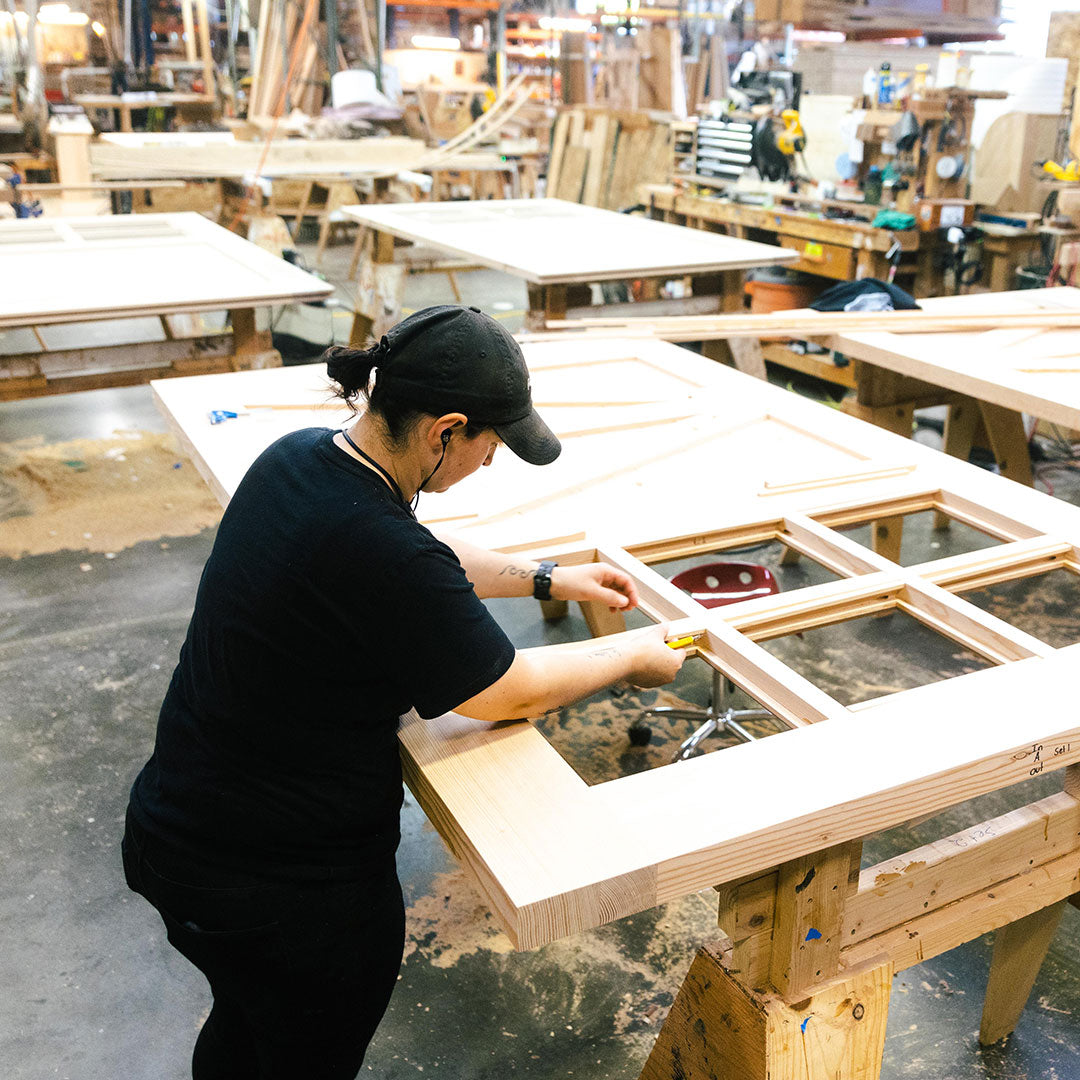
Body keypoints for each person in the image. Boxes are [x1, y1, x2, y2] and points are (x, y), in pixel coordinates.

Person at [122, 304, 686, 1079]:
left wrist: (548, 578)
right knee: (300, 1054)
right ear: (444, 430)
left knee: (249, 1021)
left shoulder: (299, 459)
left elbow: (420, 550)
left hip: (178, 835)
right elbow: (506, 689)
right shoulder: (378, 548)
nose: (491, 461)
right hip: (282, 891)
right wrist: (628, 654)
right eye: (491, 444)